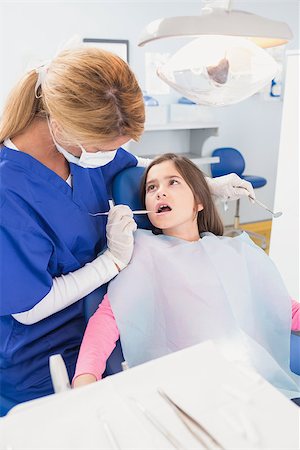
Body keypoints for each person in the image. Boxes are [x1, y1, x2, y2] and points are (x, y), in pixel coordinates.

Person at [0, 47, 254, 415]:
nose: (110, 156)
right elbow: (30, 308)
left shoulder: (84, 151)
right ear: (62, 125)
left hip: (113, 318)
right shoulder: (9, 191)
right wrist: (113, 262)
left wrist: (206, 185)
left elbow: (136, 164)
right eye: (105, 148)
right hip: (44, 351)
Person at [73, 153, 299, 399]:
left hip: (248, 375)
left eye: (173, 182)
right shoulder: (145, 252)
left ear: (200, 200)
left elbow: (279, 305)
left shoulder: (231, 250)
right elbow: (109, 317)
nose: (160, 192)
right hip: (188, 385)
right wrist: (85, 377)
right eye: (152, 187)